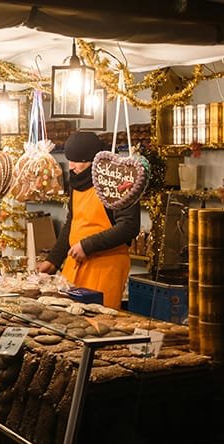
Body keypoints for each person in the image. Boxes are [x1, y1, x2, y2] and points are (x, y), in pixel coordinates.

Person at [37, 131, 140, 310]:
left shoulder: (116, 183)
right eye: (70, 160)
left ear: (94, 160)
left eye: (78, 161)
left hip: (106, 266)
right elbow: (72, 222)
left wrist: (87, 246)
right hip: (75, 264)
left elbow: (129, 226)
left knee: (97, 322)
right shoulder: (77, 184)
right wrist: (53, 260)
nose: (71, 166)